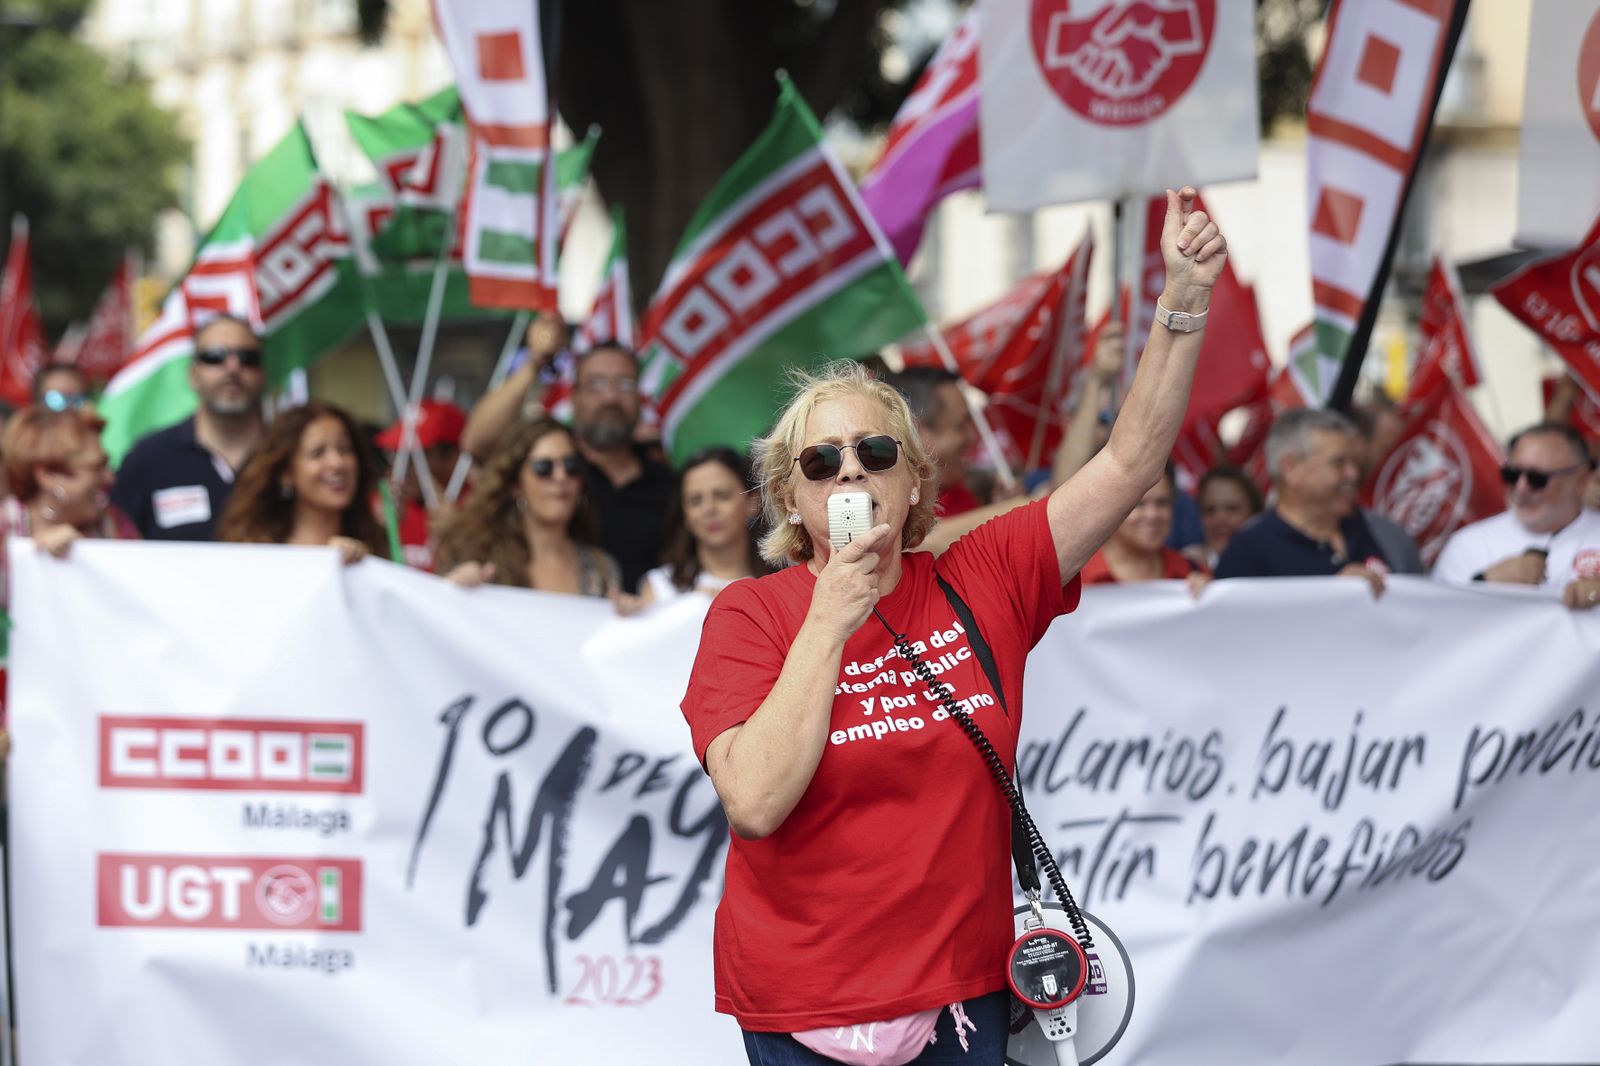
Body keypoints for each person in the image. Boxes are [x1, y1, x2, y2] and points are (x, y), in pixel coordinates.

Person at [679, 188, 1225, 1064]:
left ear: (914, 481)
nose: (850, 470)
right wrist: (829, 618)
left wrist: (1184, 298)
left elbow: (1127, 465)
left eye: (876, 452)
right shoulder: (750, 614)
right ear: (791, 496)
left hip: (961, 998)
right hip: (801, 1002)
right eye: (821, 462)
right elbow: (754, 802)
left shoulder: (986, 576)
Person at [462, 318, 675, 592]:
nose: (609, 397)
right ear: (573, 396)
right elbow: (476, 441)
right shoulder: (557, 467)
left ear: (640, 396)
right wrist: (534, 365)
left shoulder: (670, 486)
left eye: (623, 385)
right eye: (596, 385)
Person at [111, 314, 266, 540]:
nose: (233, 367)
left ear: (263, 372)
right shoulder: (149, 458)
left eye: (247, 357)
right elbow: (111, 543)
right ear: (192, 375)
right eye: (214, 357)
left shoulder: (292, 455)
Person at [436, 417, 621, 596]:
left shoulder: (601, 568)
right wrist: (457, 591)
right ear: (516, 485)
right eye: (543, 467)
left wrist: (630, 615)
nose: (560, 477)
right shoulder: (479, 558)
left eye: (571, 466)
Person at [1215, 408, 1389, 595]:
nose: (1353, 474)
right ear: (1291, 470)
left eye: (1355, 463)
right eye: (1338, 463)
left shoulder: (1370, 529)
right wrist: (1334, 594)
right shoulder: (1247, 553)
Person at [1432, 422, 1600, 609]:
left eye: (1538, 478)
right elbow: (1438, 622)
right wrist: (1484, 583)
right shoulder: (1467, 545)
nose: (1521, 488)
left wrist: (1594, 594)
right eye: (1511, 475)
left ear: (1581, 480)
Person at [216, 401, 386, 564]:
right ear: (286, 473)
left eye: (345, 449)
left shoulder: (377, 548)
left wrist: (364, 562)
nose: (337, 462)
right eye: (317, 453)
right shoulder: (257, 555)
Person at [620, 446, 770, 612]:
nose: (709, 509)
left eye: (722, 496)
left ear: (753, 503)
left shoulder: (780, 585)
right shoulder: (660, 586)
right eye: (695, 501)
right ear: (685, 514)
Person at [1080, 463, 1210, 595]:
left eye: (1162, 502)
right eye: (1138, 504)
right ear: (1107, 508)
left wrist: (1209, 600)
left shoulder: (1192, 572)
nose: (1152, 514)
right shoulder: (1073, 579)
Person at [375, 399, 468, 569]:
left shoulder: (477, 506)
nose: (401, 468)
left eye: (414, 457)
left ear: (452, 457)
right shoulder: (385, 506)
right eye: (395, 454)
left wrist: (461, 533)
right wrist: (379, 531)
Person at [884, 367, 981, 517]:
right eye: (960, 425)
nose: (972, 437)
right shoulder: (898, 516)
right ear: (916, 433)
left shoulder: (955, 493)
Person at [1193, 465, 1264, 571]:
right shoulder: (1188, 564)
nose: (1219, 518)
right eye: (1210, 509)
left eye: (1232, 508)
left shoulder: (1272, 562)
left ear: (1254, 514)